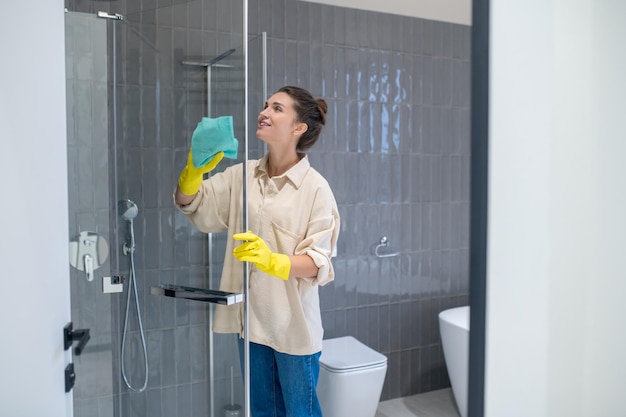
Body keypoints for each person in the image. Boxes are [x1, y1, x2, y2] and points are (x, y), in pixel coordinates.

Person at [174, 85, 340, 417]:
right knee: (263, 412)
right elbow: (191, 204)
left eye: (277, 108)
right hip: (251, 325)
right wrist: (193, 171)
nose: (264, 112)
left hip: (293, 330)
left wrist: (273, 261)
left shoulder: (315, 189)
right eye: (266, 105)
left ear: (298, 128)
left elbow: (319, 264)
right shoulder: (243, 175)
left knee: (300, 413)